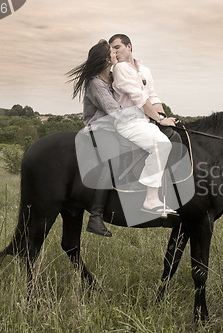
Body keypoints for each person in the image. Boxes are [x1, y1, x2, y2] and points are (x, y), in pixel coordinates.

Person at [109, 33, 177, 215]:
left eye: (117, 47)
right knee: (162, 145)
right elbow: (139, 97)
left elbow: (152, 94)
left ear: (129, 46)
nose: (114, 52)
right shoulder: (120, 68)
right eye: (111, 49)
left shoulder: (144, 69)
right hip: (128, 122)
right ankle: (151, 199)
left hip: (145, 120)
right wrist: (160, 120)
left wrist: (162, 115)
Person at [67, 39, 118, 237]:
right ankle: (96, 216)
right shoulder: (96, 84)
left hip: (114, 129)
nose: (115, 54)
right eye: (112, 52)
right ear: (106, 60)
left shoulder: (112, 79)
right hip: (99, 129)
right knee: (111, 159)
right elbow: (114, 110)